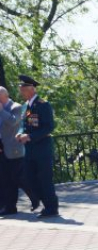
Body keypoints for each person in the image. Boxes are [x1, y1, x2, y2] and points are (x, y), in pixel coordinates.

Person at [15, 75, 59, 218]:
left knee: (45, 179)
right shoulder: (27, 106)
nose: (21, 92)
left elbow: (48, 127)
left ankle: (51, 208)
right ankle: (46, 203)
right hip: (30, 150)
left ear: (31, 89)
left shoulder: (43, 105)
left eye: (22, 89)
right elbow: (24, 125)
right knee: (29, 178)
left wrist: (30, 137)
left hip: (42, 149)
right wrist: (20, 133)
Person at [0, 87, 24, 216]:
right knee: (3, 178)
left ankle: (11, 206)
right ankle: (4, 205)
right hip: (1, 146)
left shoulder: (16, 106)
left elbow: (13, 122)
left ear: (3, 96)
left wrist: (2, 111)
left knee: (13, 179)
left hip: (13, 149)